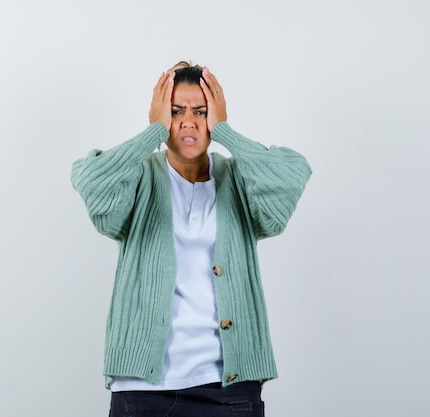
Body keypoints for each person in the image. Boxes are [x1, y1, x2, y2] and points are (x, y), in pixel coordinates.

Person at [71, 61, 312, 417]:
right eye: (175, 111)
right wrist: (152, 132)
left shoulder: (239, 179)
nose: (188, 121)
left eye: (200, 111)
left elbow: (292, 175)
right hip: (143, 390)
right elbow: (90, 179)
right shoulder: (139, 177)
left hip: (229, 387)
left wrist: (225, 132)